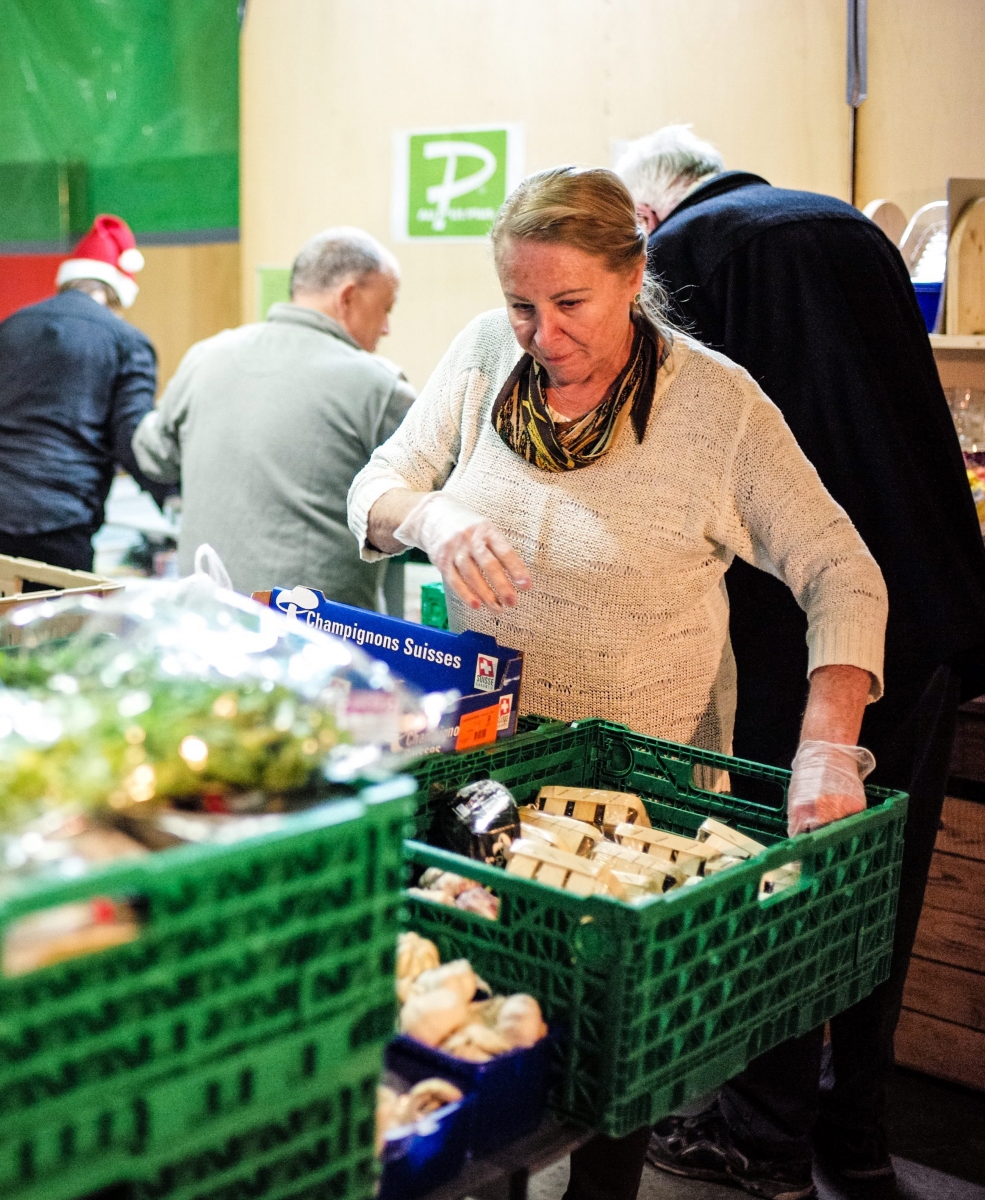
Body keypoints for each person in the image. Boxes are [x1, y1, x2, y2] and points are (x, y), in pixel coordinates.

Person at [346, 166, 890, 1200]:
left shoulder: (717, 409)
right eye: (520, 305)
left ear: (634, 275)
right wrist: (435, 519)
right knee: (486, 1038)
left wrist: (828, 739)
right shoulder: (477, 361)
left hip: (642, 815)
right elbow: (375, 488)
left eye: (569, 305)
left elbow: (842, 570)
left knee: (609, 1072)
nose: (540, 333)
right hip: (492, 780)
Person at [616, 126, 985, 1199]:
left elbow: (660, 447)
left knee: (779, 872)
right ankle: (858, 1134)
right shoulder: (850, 231)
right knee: (879, 882)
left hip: (799, 626)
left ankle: (757, 1134)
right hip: (926, 609)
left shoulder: (686, 257)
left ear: (645, 218)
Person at [131, 228, 414, 608]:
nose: (386, 328)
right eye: (386, 309)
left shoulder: (205, 357)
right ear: (348, 297)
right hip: (317, 644)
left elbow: (151, 455)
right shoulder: (379, 387)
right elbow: (433, 496)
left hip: (204, 624)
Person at [0, 214, 170, 570]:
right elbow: (133, 439)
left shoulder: (9, 327)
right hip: (55, 520)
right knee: (59, 626)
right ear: (118, 293)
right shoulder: (128, 342)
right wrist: (173, 498)